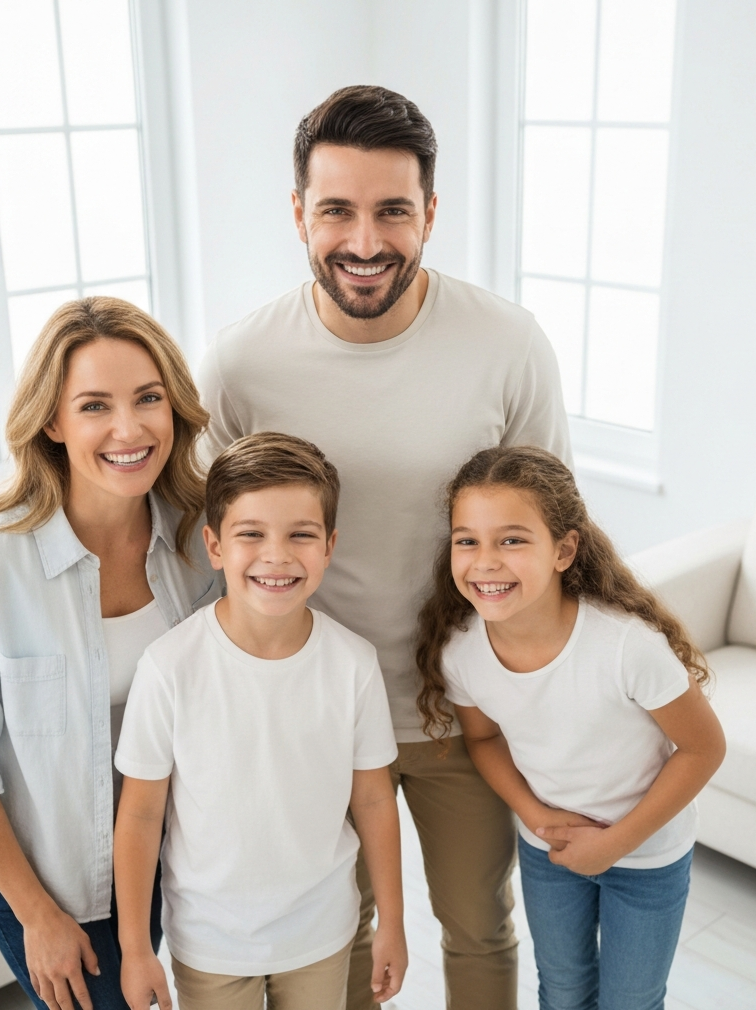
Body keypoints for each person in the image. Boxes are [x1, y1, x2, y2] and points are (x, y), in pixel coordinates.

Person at [196, 84, 570, 1010]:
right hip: (313, 720)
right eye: (336, 211)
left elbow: (561, 540)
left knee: (478, 928)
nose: (365, 242)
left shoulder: (509, 344)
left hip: (466, 717)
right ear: (298, 215)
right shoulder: (241, 365)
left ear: (431, 213)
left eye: (393, 210)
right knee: (340, 937)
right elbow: (205, 552)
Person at [0, 298, 221, 1010]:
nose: (129, 427)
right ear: (52, 422)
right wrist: (37, 915)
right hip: (55, 887)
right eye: (94, 406)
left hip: (170, 858)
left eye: (149, 398)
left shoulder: (199, 541)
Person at [415, 445, 727, 1010]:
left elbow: (704, 748)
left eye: (511, 539)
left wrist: (614, 844)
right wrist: (535, 818)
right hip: (549, 853)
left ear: (564, 549)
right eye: (468, 540)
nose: (485, 561)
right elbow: (483, 740)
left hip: (646, 857)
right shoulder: (462, 653)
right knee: (561, 992)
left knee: (631, 1000)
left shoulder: (627, 646)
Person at [113, 432, 406, 1010]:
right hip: (209, 943)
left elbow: (374, 801)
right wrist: (134, 947)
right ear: (215, 546)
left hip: (322, 934)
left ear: (329, 546)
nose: (277, 555)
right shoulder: (170, 667)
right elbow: (141, 814)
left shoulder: (353, 664)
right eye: (251, 535)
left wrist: (393, 921)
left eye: (301, 534)